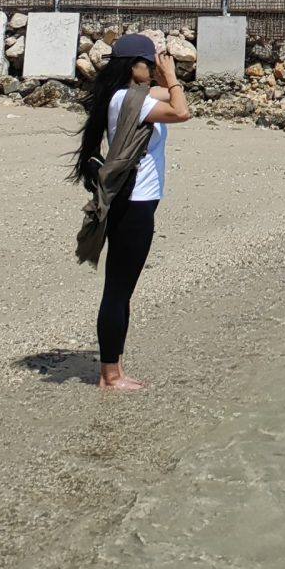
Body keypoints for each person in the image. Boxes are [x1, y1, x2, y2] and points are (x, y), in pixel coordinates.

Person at [71, 32, 190, 392]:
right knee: (119, 290)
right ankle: (110, 375)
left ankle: (114, 367)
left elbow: (167, 100)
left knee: (121, 288)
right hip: (134, 203)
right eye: (149, 63)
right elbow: (181, 111)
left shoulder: (124, 96)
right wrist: (171, 78)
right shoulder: (131, 100)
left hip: (135, 200)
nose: (154, 69)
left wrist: (165, 81)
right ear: (133, 66)